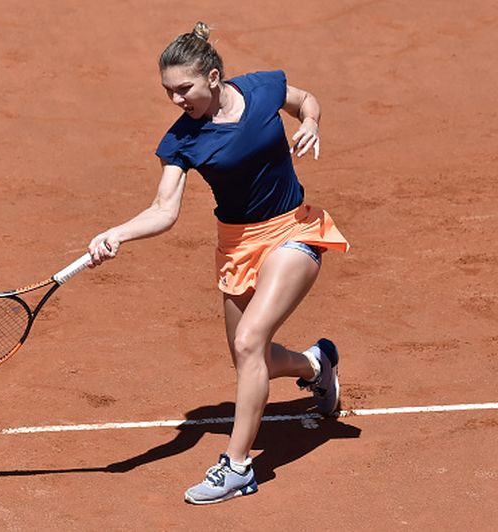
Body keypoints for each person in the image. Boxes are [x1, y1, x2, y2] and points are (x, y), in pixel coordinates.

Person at [87, 22, 350, 505]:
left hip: (292, 230)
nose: (175, 100)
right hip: (236, 247)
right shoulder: (181, 140)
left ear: (212, 76)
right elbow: (164, 210)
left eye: (183, 88)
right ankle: (316, 364)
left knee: (250, 341)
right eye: (167, 91)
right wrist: (116, 233)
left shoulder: (261, 88)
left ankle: (238, 467)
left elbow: (305, 99)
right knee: (254, 359)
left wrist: (311, 122)